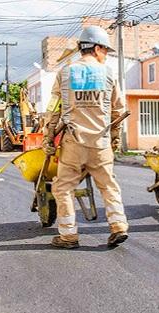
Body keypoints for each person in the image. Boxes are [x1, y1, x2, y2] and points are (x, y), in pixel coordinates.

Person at [42, 25, 128, 249]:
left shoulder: (65, 73)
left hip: (74, 142)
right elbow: (118, 111)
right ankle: (118, 226)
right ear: (97, 47)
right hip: (100, 142)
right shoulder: (109, 74)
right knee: (109, 186)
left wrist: (48, 138)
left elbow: (53, 109)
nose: (106, 55)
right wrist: (115, 137)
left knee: (62, 188)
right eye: (105, 50)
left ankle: (68, 236)